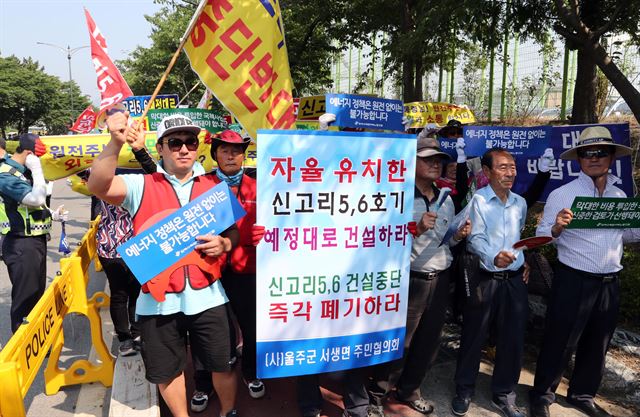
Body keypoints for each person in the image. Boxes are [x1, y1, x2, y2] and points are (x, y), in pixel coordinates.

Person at [88, 113, 241, 417]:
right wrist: (115, 142)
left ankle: (228, 412)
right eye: (175, 142)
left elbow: (232, 232)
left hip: (209, 297)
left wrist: (226, 244)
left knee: (222, 365)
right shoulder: (140, 185)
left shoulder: (213, 186)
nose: (184, 149)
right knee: (167, 372)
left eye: (190, 142)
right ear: (160, 148)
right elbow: (99, 184)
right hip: (157, 303)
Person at [528, 126, 640, 417]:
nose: (594, 158)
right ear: (578, 159)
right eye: (587, 153)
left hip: (609, 282)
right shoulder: (563, 194)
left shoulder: (619, 195)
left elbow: (627, 235)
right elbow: (542, 236)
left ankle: (582, 394)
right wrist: (556, 228)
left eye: (600, 152)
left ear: (611, 157)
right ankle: (542, 394)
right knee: (560, 339)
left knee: (598, 341)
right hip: (573, 279)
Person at [368, 136, 471, 416]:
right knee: (397, 341)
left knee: (428, 341)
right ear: (411, 162)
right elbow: (380, 239)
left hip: (439, 278)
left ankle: (410, 390)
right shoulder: (395, 196)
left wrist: (458, 236)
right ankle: (376, 395)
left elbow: (445, 242)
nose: (435, 164)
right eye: (428, 159)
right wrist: (416, 228)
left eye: (438, 160)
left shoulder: (446, 198)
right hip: (407, 280)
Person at [451, 147, 528, 417]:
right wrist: (493, 257)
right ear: (486, 171)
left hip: (514, 280)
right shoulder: (478, 201)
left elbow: (519, 237)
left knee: (513, 339)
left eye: (513, 167)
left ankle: (504, 394)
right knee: (474, 336)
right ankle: (464, 389)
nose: (510, 173)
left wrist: (522, 261)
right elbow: (475, 239)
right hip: (485, 277)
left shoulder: (520, 202)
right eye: (503, 167)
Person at [189, 129, 263, 412]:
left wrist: (264, 234)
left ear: (244, 155)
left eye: (236, 150)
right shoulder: (200, 185)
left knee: (252, 326)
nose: (231, 155)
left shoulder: (259, 187)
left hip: (248, 271)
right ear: (215, 155)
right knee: (203, 331)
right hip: (208, 273)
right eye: (224, 150)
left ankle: (251, 372)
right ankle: (203, 383)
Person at [94, 134, 157, 357]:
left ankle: (134, 333)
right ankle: (128, 337)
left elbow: (158, 175)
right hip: (116, 246)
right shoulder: (109, 182)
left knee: (132, 292)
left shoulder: (139, 181)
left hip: (133, 244)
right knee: (123, 293)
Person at [0, 134, 65, 332]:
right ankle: (21, 350)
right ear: (29, 154)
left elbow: (32, 207)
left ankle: (37, 344)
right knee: (25, 298)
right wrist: (37, 170)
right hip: (20, 243)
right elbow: (36, 199)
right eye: (38, 159)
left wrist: (51, 214)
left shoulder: (24, 172)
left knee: (36, 295)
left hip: (35, 241)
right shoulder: (5, 174)